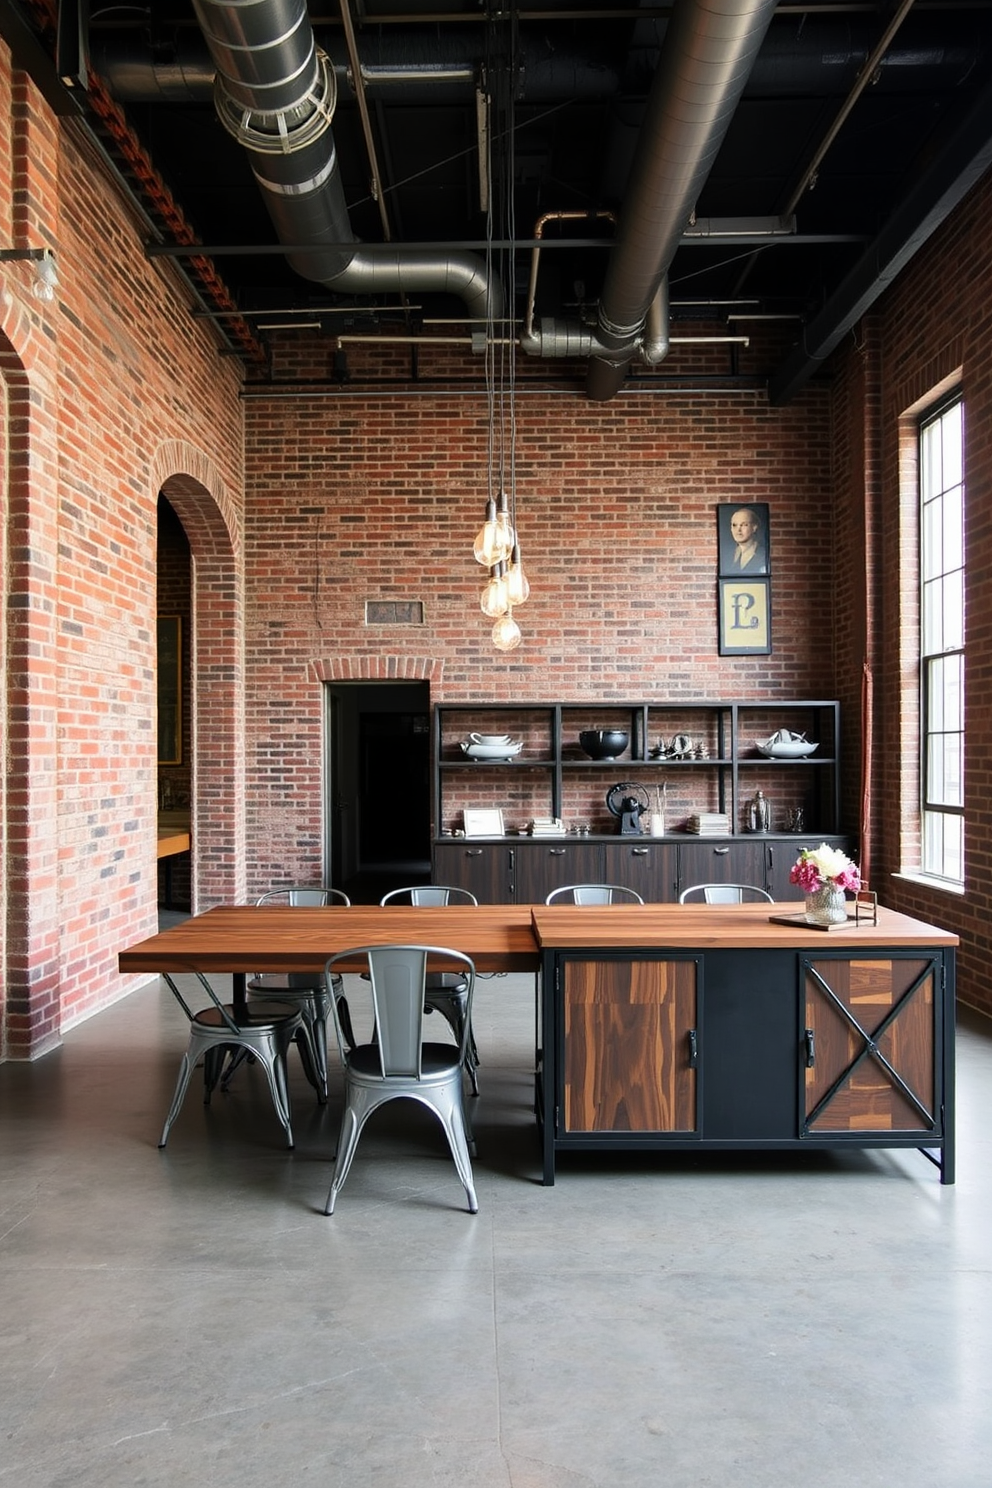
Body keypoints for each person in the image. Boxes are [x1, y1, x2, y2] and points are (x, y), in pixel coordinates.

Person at [727, 506, 767, 573]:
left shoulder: (762, 554)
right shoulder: (730, 555)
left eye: (744, 525)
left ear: (754, 527)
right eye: (734, 525)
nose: (738, 529)